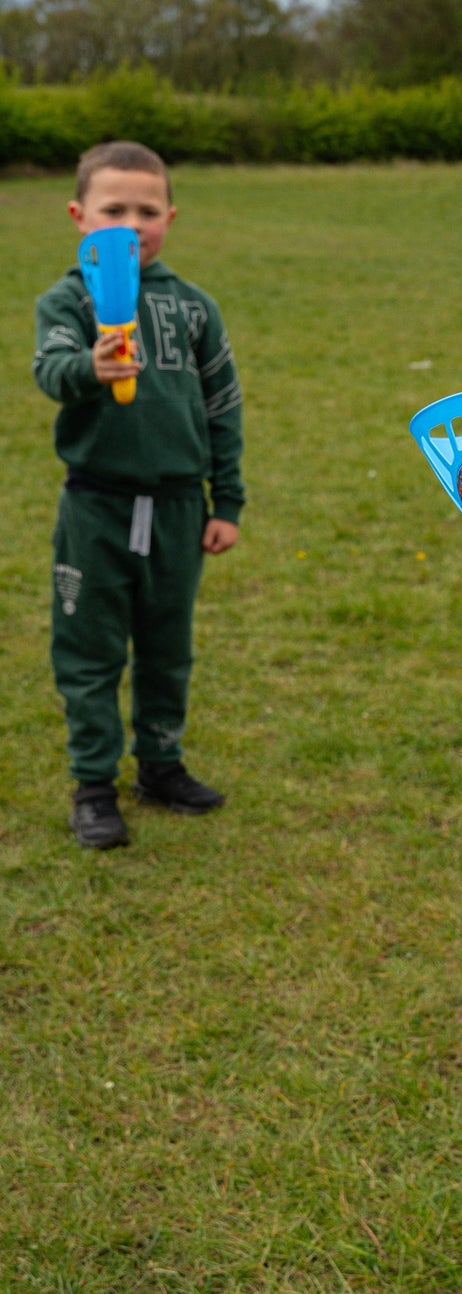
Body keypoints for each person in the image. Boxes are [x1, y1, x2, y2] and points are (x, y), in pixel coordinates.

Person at [33, 141, 245, 850]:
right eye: (113, 209)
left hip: (181, 509)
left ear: (170, 218)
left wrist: (226, 503)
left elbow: (223, 408)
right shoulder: (68, 300)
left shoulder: (194, 308)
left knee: (166, 647)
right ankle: (94, 785)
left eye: (147, 211)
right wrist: (88, 366)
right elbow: (50, 368)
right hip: (96, 506)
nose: (131, 224)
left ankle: (160, 763)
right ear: (79, 216)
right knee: (88, 651)